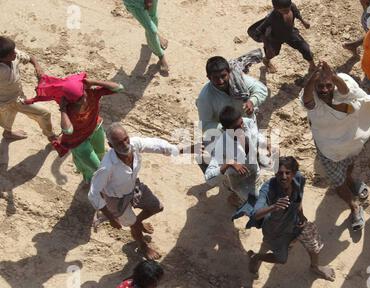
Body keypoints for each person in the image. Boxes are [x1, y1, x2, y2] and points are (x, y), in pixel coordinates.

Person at [300, 61, 370, 231]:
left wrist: (332, 76)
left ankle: (351, 180)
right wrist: (313, 79)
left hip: (351, 144)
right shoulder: (313, 102)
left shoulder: (344, 90)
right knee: (338, 184)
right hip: (328, 150)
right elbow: (307, 100)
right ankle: (354, 206)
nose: (324, 90)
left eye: (328, 85)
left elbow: (346, 95)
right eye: (320, 86)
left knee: (348, 166)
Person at [88, 123, 186, 260]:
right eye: (119, 143)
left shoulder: (134, 144)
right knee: (134, 225)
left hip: (133, 187)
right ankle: (142, 246)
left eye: (125, 139)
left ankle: (136, 223)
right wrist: (111, 217)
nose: (125, 144)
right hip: (116, 199)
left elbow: (158, 145)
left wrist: (186, 149)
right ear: (111, 146)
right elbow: (93, 193)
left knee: (157, 207)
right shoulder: (107, 166)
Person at [246, 156, 335, 281]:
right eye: (280, 173)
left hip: (296, 224)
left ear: (293, 173)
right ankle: (256, 257)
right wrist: (274, 207)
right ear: (275, 173)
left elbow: (298, 199)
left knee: (314, 245)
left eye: (287, 173)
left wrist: (301, 215)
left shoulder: (299, 179)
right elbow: (255, 214)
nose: (283, 177)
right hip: (276, 231)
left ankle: (315, 267)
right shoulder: (268, 188)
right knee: (281, 259)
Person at [27, 72, 124, 184]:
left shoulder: (93, 93)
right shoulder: (68, 109)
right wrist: (63, 110)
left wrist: (93, 82)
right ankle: (92, 179)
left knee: (101, 154)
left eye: (83, 95)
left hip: (95, 129)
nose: (83, 100)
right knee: (97, 169)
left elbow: (119, 88)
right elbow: (68, 130)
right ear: (69, 101)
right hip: (79, 142)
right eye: (77, 100)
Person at [204, 106, 270, 207]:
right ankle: (235, 195)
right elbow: (208, 178)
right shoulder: (221, 145)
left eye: (241, 123)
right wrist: (229, 163)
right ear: (226, 129)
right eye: (235, 128)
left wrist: (265, 143)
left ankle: (239, 197)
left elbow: (256, 134)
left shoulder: (247, 123)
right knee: (258, 206)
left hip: (254, 171)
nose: (241, 128)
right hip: (238, 181)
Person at [196, 56, 268, 143]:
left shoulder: (239, 81)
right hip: (225, 134)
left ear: (229, 72)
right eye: (215, 78)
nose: (221, 81)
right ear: (208, 77)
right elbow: (205, 124)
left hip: (247, 123)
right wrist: (229, 129)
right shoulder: (205, 97)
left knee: (258, 146)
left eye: (223, 76)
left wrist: (252, 101)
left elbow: (261, 90)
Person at [0, 36, 56, 141]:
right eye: (11, 54)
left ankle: (7, 132)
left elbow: (30, 57)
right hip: (4, 103)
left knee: (11, 115)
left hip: (18, 96)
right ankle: (52, 138)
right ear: (2, 58)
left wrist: (37, 66)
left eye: (14, 50)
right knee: (43, 113)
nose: (15, 54)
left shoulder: (13, 54)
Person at [248, 0, 314, 73]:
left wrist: (303, 21)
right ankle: (266, 61)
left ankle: (312, 65)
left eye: (288, 8)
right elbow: (260, 31)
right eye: (283, 10)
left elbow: (296, 13)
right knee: (272, 54)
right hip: (275, 38)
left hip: (290, 33)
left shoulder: (291, 6)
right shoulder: (272, 17)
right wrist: (267, 46)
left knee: (305, 48)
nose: (287, 11)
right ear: (276, 9)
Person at [123, 0, 169, 74]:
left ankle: (156, 38)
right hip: (134, 3)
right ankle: (160, 55)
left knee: (153, 17)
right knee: (151, 30)